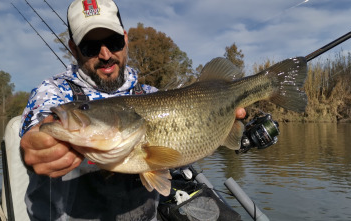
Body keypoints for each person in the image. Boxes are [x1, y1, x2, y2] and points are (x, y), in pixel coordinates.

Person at [19, 0, 246, 220]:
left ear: (125, 39)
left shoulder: (151, 94)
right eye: (90, 47)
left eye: (113, 41)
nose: (105, 54)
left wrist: (220, 126)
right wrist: (34, 150)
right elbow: (37, 132)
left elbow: (179, 155)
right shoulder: (53, 92)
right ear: (73, 49)